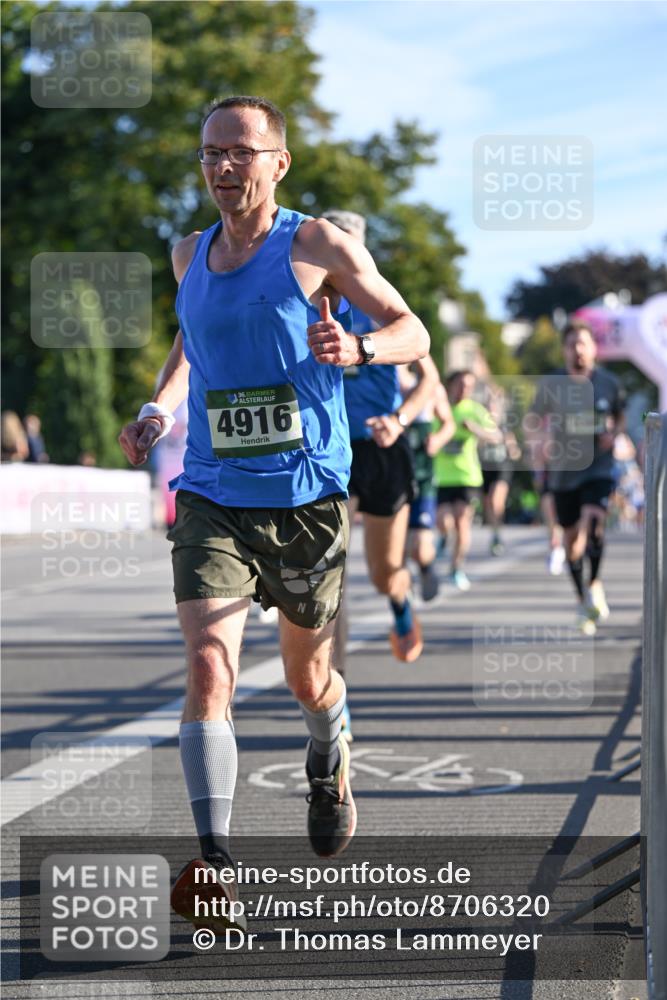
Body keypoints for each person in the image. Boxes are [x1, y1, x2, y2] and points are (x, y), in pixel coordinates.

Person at [118, 95, 429, 932]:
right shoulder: (188, 253)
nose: (223, 167)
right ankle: (215, 859)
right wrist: (160, 412)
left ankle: (329, 756)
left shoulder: (317, 243)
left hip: (304, 498)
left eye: (241, 153)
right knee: (210, 668)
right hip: (214, 492)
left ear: (277, 162)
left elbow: (413, 330)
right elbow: (189, 347)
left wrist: (358, 347)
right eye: (210, 153)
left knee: (305, 679)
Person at [321, 210, 440, 692]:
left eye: (347, 246)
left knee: (384, 573)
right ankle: (334, 696)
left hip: (382, 451)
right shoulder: (306, 303)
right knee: (330, 579)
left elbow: (429, 382)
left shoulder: (384, 306)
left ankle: (400, 603)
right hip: (329, 454)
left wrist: (399, 419)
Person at [530, 321, 625, 635]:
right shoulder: (552, 383)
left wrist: (614, 434)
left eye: (584, 343)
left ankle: (595, 583)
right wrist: (541, 441)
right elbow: (533, 420)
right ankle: (582, 598)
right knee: (572, 545)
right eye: (572, 344)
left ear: (594, 348)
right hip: (563, 471)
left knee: (595, 521)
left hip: (599, 466)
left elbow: (620, 417)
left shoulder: (609, 383)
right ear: (565, 349)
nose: (578, 349)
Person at [428, 370, 502, 591]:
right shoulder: (439, 409)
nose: (464, 389)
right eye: (461, 384)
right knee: (443, 521)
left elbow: (496, 436)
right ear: (450, 386)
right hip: (442, 477)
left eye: (469, 386)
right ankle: (443, 536)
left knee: (462, 523)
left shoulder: (474, 410)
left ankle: (456, 569)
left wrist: (476, 429)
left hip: (468, 476)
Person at [399, 367, 455, 597]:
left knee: (421, 547)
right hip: (394, 474)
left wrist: (438, 439)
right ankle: (402, 596)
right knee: (397, 549)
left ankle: (425, 566)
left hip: (423, 474)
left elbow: (448, 423)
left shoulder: (430, 386)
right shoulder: (380, 380)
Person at [478, 386, 520, 557]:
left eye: (494, 406)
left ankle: (497, 533)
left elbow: (515, 452)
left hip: (502, 468)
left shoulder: (504, 427)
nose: (491, 409)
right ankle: (495, 534)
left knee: (496, 501)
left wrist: (513, 450)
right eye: (489, 406)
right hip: (484, 468)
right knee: (487, 503)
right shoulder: (479, 425)